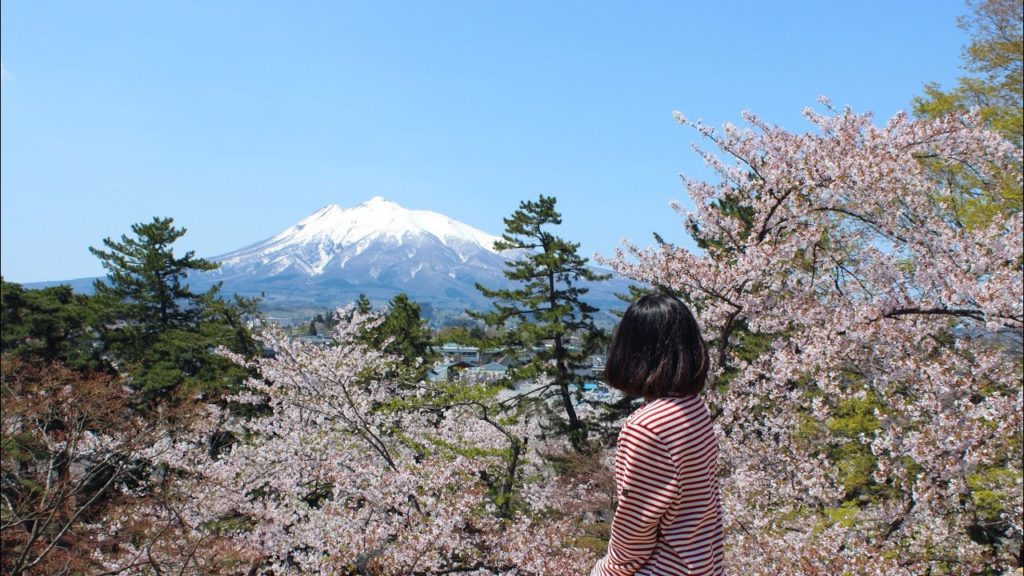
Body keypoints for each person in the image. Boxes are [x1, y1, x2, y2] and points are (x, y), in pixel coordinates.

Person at [591, 294, 724, 576]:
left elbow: (635, 528)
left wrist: (605, 571)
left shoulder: (647, 428)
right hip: (702, 565)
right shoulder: (693, 407)